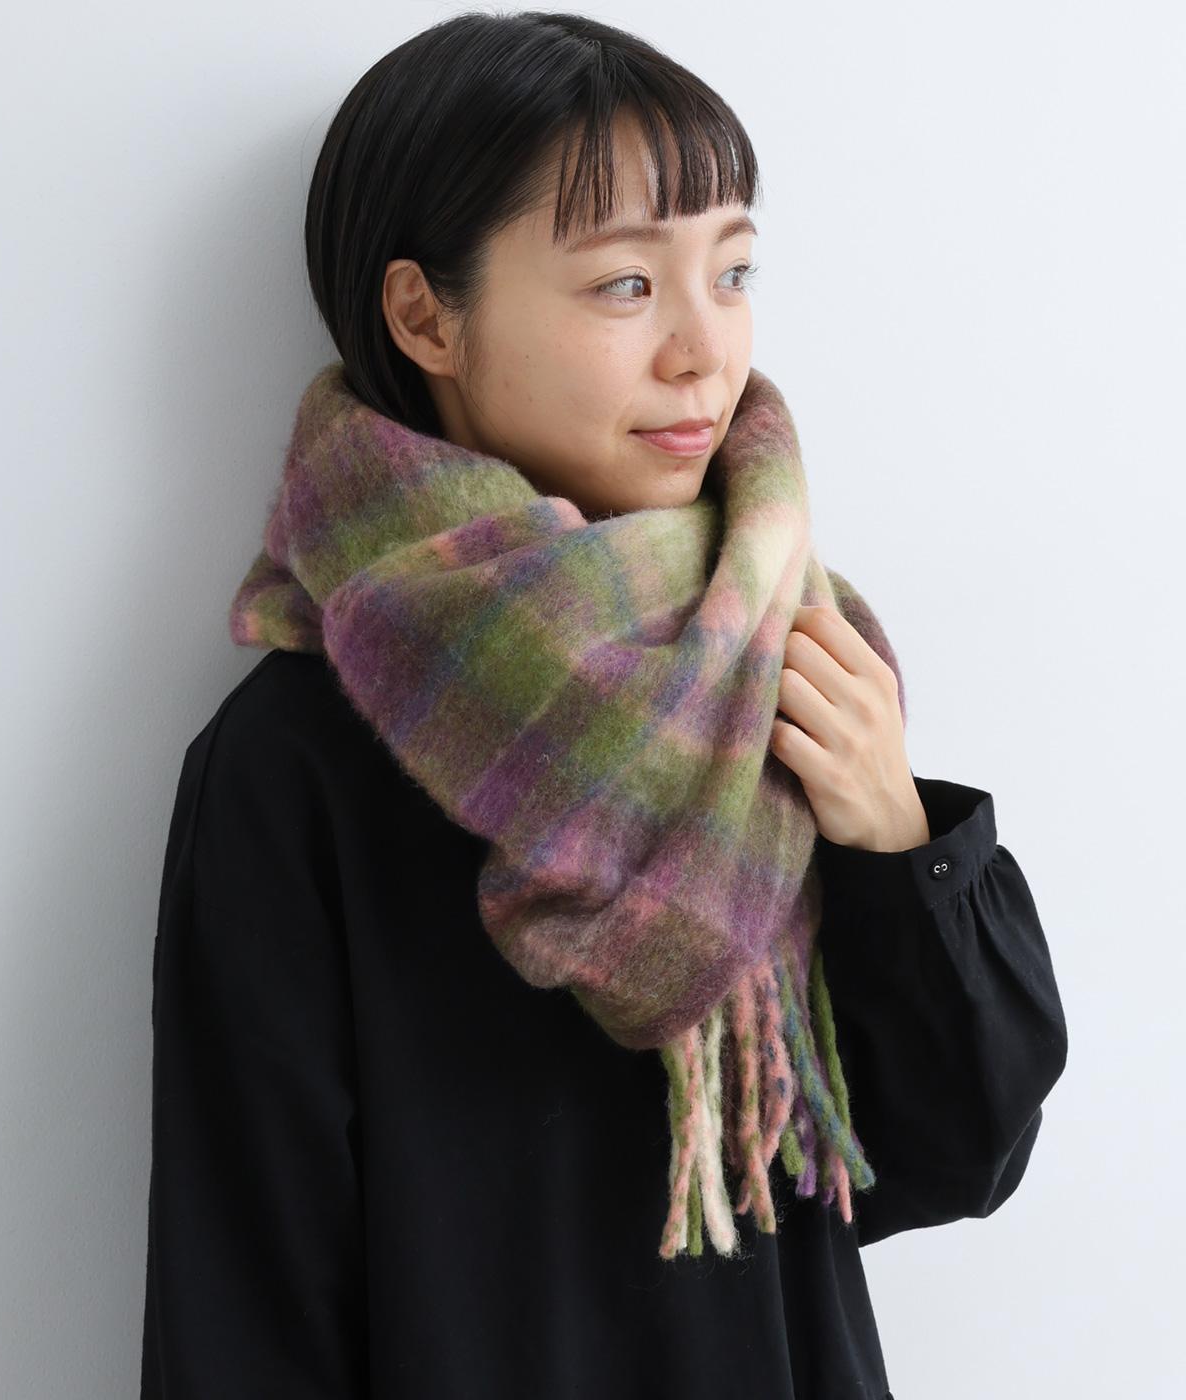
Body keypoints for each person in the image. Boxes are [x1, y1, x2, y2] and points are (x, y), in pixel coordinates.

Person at [139, 11, 1069, 1398]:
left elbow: (954, 1158)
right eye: (627, 284)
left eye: (733, 271)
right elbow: (245, 1296)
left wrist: (896, 839)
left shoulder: (790, 665)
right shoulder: (298, 760)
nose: (705, 350)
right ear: (425, 316)